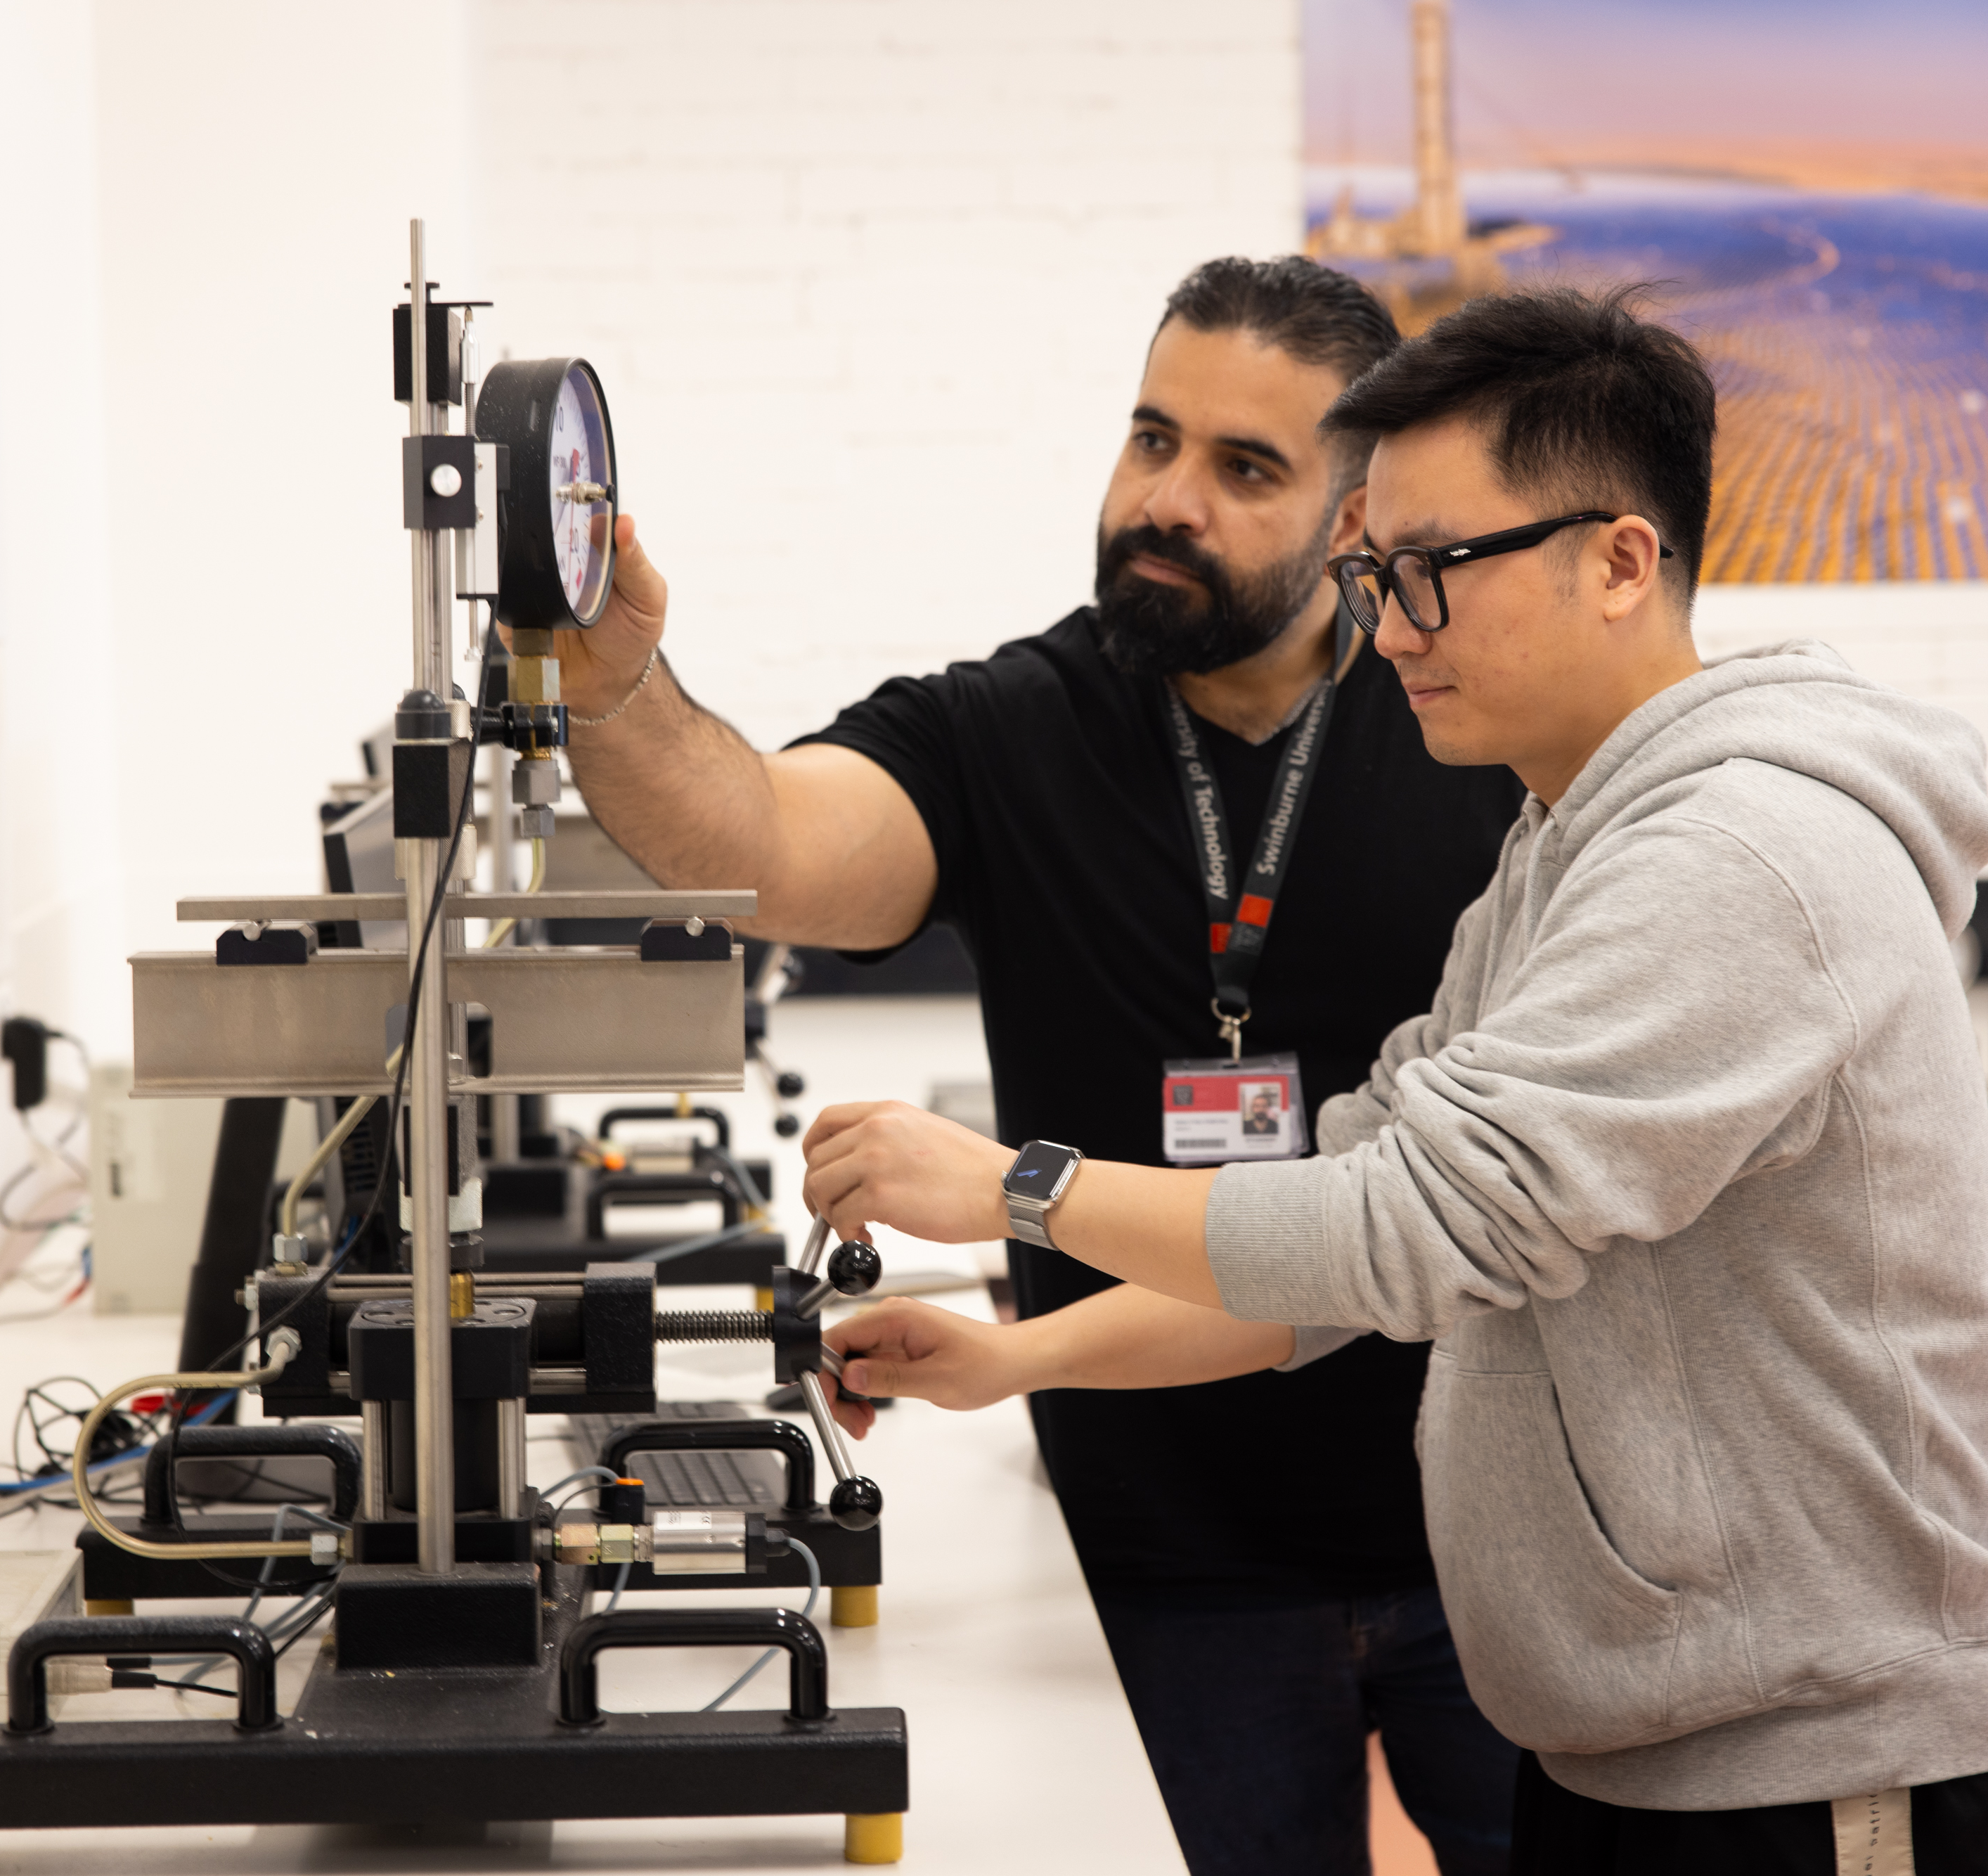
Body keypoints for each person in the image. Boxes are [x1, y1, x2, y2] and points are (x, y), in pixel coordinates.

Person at [800, 288, 1988, 1876]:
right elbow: (1336, 1257)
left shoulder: (1738, 857)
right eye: (1372, 574)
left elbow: (1395, 1226)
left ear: (1618, 558)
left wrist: (1013, 1184)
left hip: (1806, 1769)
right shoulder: (1554, 857)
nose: (1386, 628)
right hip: (1637, 1743)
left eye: (1430, 575)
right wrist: (1018, 1355)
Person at [557, 258, 1528, 1875]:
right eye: (1150, 438)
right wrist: (612, 687)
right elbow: (756, 846)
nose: (1166, 499)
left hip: (1486, 1546)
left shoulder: (1466, 731)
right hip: (1162, 1568)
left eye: (1242, 468)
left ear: (1357, 515)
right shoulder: (1011, 728)